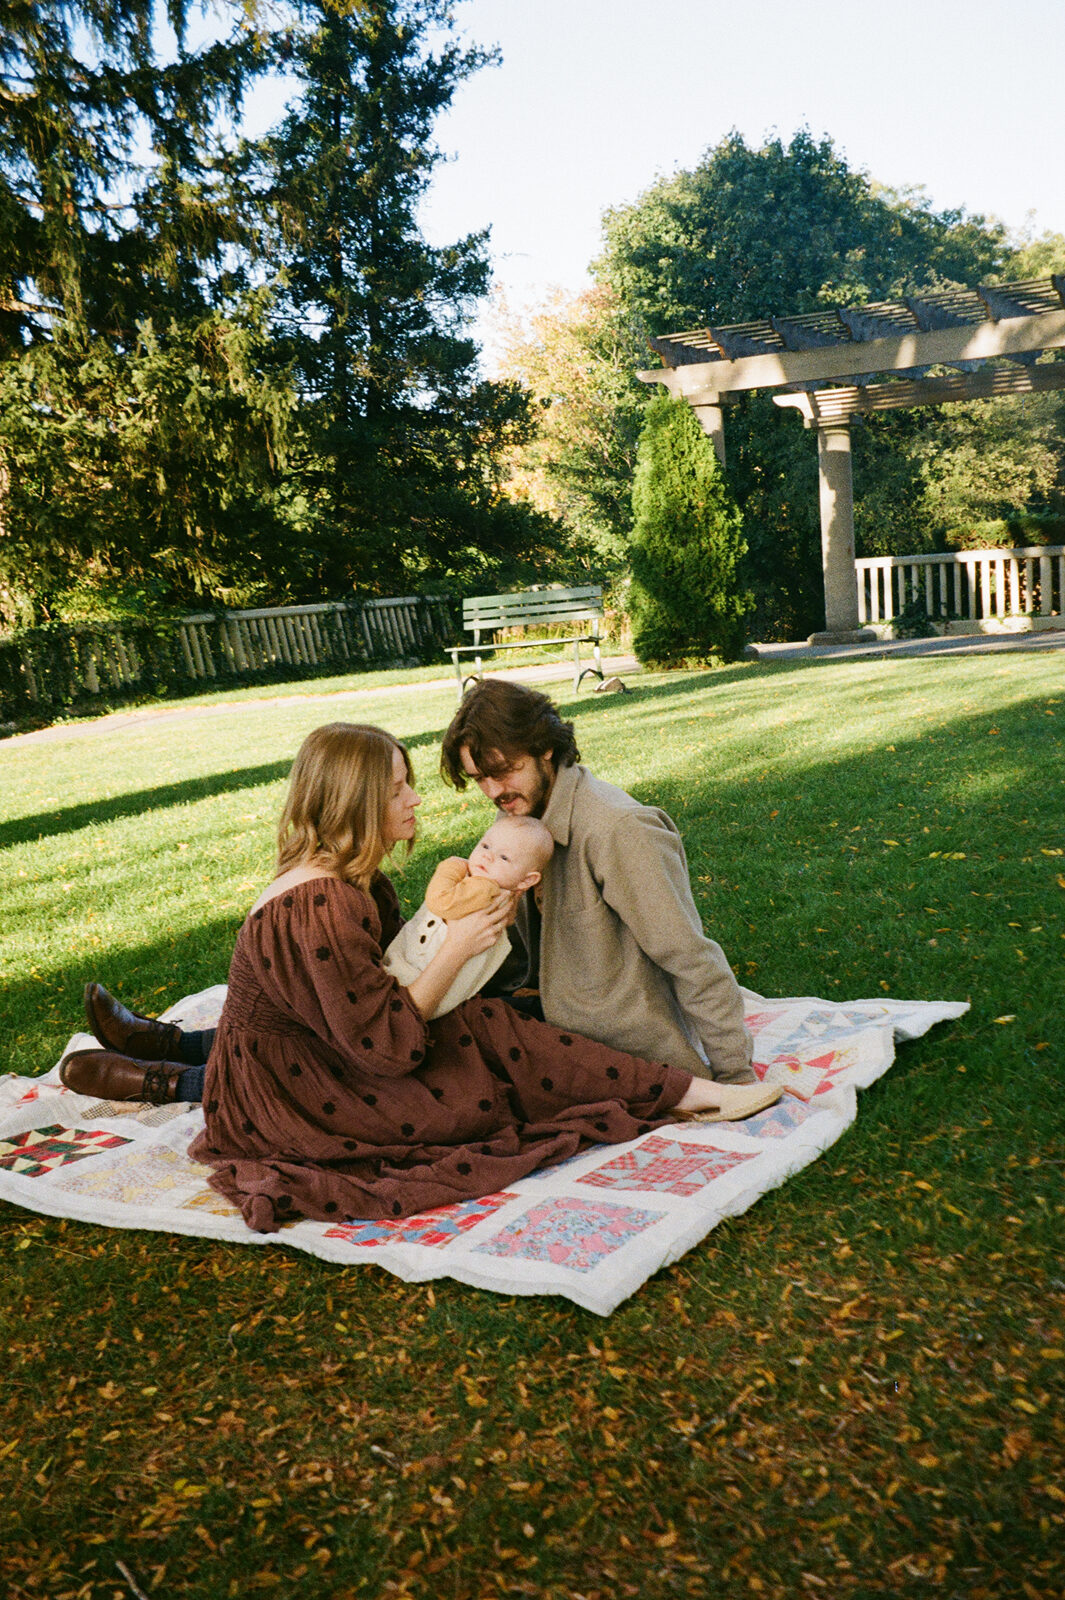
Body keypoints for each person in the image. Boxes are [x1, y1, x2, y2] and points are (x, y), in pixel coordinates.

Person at [60, 722, 780, 1231]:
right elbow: (385, 1048)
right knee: (482, 1036)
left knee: (492, 1023)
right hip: (293, 1088)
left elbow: (360, 996)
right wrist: (457, 945)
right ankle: (686, 1092)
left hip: (295, 1049)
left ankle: (161, 1055)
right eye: (401, 789)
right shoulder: (321, 904)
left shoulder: (345, 876)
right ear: (357, 802)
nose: (416, 801)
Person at [440, 679, 755, 1085]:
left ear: (545, 748)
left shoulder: (619, 829)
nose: (493, 791)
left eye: (504, 771)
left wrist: (735, 1075)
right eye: (480, 777)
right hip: (541, 1011)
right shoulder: (518, 810)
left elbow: (690, 957)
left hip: (612, 1042)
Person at [381, 814, 553, 1018]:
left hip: (412, 978)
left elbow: (440, 900)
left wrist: (451, 866)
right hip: (444, 995)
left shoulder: (484, 888)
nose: (488, 856)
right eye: (486, 846)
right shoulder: (503, 897)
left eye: (504, 857)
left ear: (527, 881)